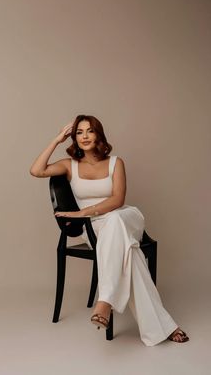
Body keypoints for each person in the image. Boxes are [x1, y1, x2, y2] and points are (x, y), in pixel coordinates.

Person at [30, 114, 189, 346]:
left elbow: (117, 200)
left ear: (98, 134)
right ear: (73, 138)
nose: (84, 136)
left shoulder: (116, 162)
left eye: (89, 131)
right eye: (79, 132)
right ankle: (165, 326)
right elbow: (36, 170)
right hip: (95, 229)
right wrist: (56, 140)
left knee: (114, 219)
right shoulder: (69, 165)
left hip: (126, 218)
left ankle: (104, 302)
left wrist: (82, 212)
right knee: (131, 255)